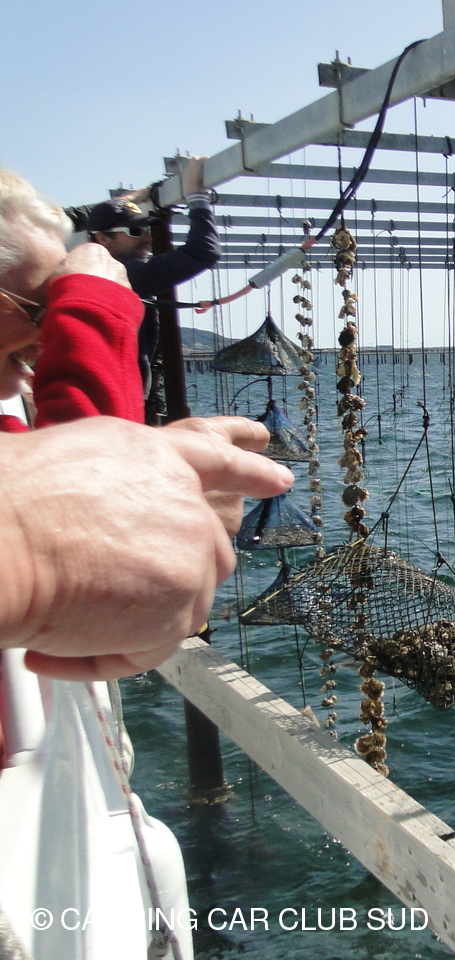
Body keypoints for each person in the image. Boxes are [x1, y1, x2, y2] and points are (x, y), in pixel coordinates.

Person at [0, 167, 293, 680]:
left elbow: (76, 485)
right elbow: (96, 521)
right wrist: (95, 308)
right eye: (44, 307)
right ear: (102, 240)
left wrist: (152, 469)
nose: (51, 335)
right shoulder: (130, 275)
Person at [83, 156, 220, 406]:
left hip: (104, 395)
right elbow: (204, 252)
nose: (147, 238)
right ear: (103, 239)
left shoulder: (87, 270)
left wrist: (135, 198)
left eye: (146, 230)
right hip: (113, 401)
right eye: (135, 232)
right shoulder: (124, 273)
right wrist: (197, 197)